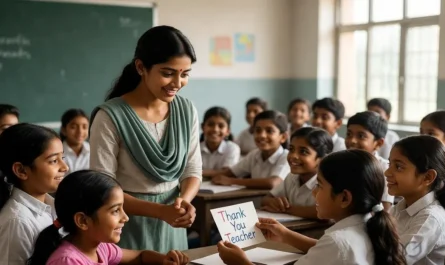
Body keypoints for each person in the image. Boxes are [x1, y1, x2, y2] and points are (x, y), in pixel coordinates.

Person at [89, 25, 202, 252]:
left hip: (173, 221)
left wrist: (185, 201)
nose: (177, 83)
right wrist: (160, 211)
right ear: (141, 67)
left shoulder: (186, 110)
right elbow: (104, 188)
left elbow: (192, 169)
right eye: (168, 73)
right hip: (125, 222)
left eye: (185, 74)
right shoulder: (110, 116)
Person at [217, 150, 406, 265]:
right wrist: (285, 234)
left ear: (344, 198)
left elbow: (334, 249)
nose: (314, 193)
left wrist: (241, 263)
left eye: (320, 185)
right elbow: (328, 250)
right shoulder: (368, 223)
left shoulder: (338, 241)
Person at [28, 170, 189, 265]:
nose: (125, 218)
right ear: (83, 221)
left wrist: (164, 260)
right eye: (115, 211)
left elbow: (140, 256)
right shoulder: (67, 261)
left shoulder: (98, 247)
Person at [0, 123, 68, 264]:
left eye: (63, 158)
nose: (65, 167)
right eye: (54, 161)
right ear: (21, 171)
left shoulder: (52, 205)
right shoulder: (17, 222)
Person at [386, 135, 445, 264]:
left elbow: (395, 261)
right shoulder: (400, 208)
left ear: (427, 177)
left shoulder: (430, 219)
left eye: (399, 167)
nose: (387, 172)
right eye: (389, 164)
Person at [261, 127, 332, 218]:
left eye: (303, 152)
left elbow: (323, 213)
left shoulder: (327, 181)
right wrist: (274, 203)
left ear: (322, 159)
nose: (293, 156)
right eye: (291, 149)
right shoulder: (292, 177)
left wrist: (287, 209)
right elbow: (265, 199)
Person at [212, 110, 290, 189]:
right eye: (258, 130)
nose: (262, 135)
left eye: (269, 131)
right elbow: (229, 173)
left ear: (283, 137)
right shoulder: (254, 154)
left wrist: (231, 181)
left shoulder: (286, 157)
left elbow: (272, 183)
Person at [200, 106, 240, 178]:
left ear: (228, 131)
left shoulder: (232, 148)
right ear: (203, 127)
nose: (215, 129)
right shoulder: (194, 148)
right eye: (210, 124)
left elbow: (227, 173)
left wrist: (196, 172)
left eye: (221, 126)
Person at [60, 109, 90, 174]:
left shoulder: (93, 151)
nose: (80, 131)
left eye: (84, 127)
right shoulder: (57, 153)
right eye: (73, 127)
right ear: (64, 130)